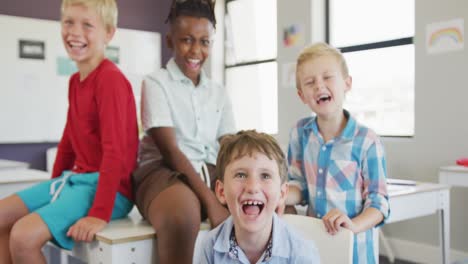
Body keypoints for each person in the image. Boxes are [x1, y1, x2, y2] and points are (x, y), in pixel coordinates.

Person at [0, 0, 138, 263]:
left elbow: (115, 152)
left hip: (109, 191)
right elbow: (68, 142)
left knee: (23, 237)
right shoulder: (76, 81)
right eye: (68, 22)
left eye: (87, 25)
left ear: (108, 33)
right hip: (74, 182)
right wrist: (53, 186)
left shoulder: (110, 79)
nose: (75, 32)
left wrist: (99, 213)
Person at [131, 0, 236, 263]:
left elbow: (229, 145)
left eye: (204, 42)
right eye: (187, 40)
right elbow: (171, 152)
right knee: (182, 217)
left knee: (265, 205)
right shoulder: (156, 83)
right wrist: (212, 202)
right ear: (170, 41)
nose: (196, 50)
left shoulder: (218, 92)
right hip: (163, 171)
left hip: (209, 170)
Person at [286, 42, 390, 264]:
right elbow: (299, 185)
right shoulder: (299, 133)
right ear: (301, 95)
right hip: (315, 248)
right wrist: (279, 193)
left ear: (347, 83)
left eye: (327, 77)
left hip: (356, 254)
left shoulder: (367, 141)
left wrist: (353, 225)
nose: (319, 86)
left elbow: (379, 204)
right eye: (310, 82)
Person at [199, 130, 319, 263]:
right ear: (221, 192)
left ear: (282, 193)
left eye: (265, 176)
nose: (253, 187)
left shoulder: (302, 253)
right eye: (241, 175)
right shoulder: (209, 247)